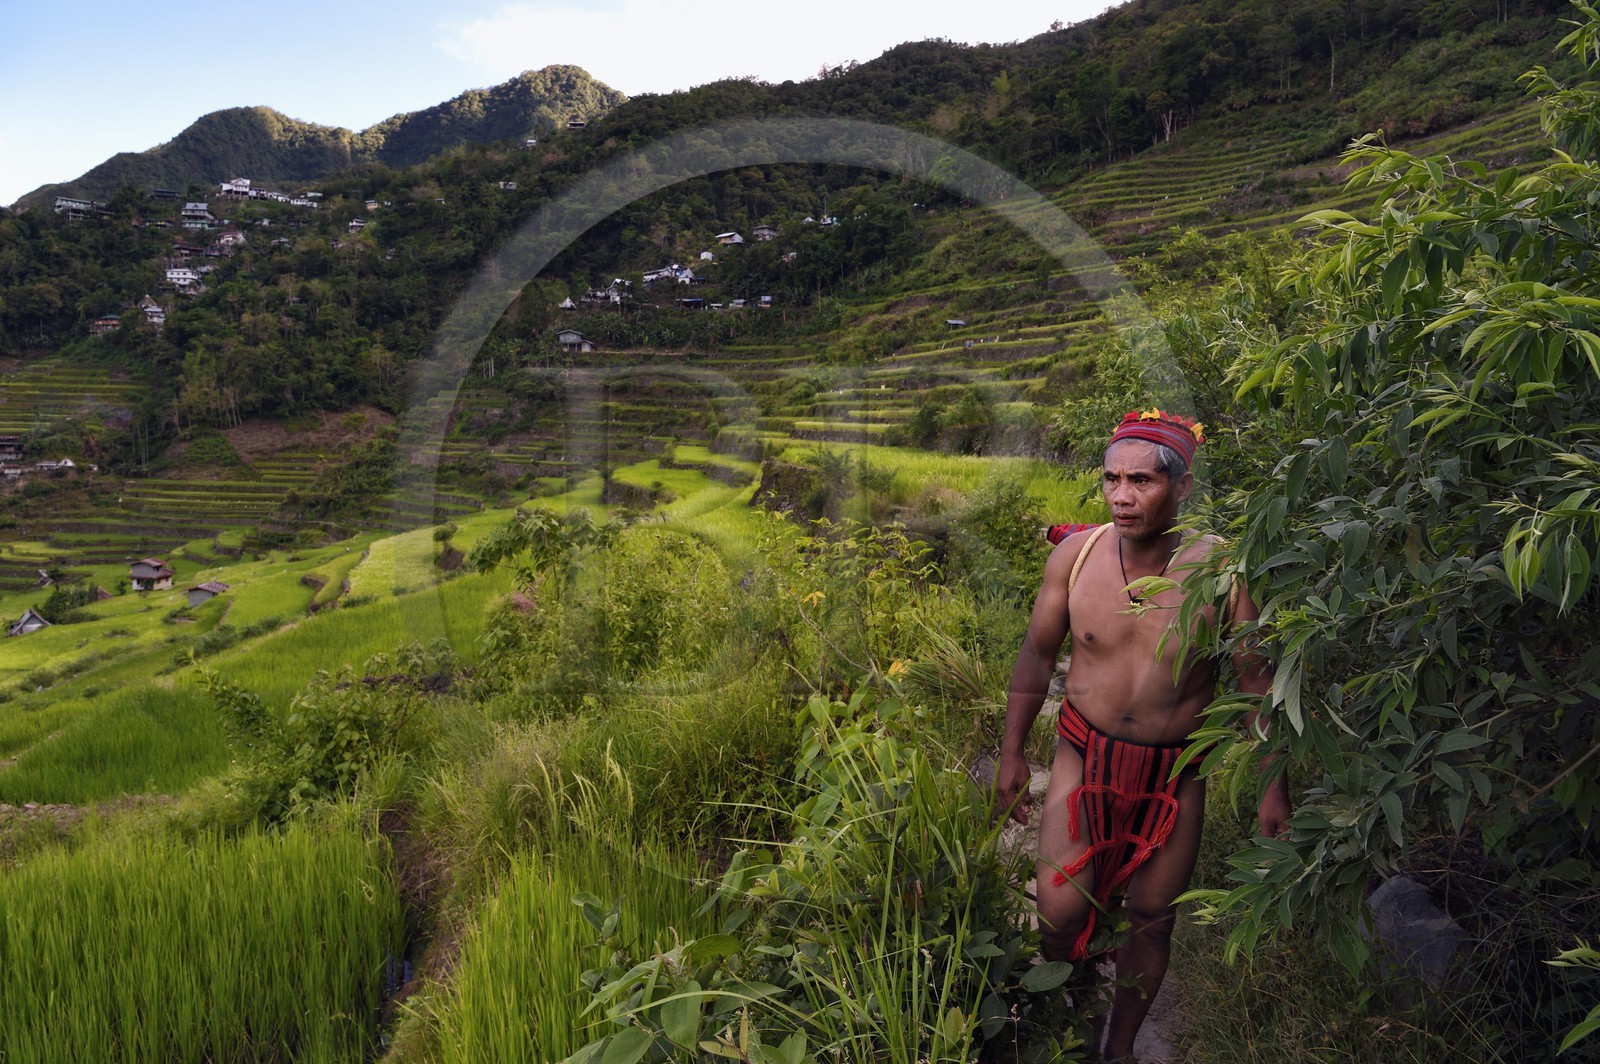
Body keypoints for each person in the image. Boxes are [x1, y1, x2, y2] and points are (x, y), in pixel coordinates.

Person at [997, 408, 1290, 1062]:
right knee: (1059, 912)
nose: (1122, 497)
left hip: (1173, 774)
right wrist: (1013, 750)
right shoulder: (1075, 558)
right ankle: (1066, 1006)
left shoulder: (1223, 576)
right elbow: (1036, 658)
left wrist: (1275, 791)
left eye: (1141, 482)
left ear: (1182, 488)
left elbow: (1253, 685)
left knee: (1153, 920)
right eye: (1111, 480)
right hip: (1082, 755)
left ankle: (1118, 1047)